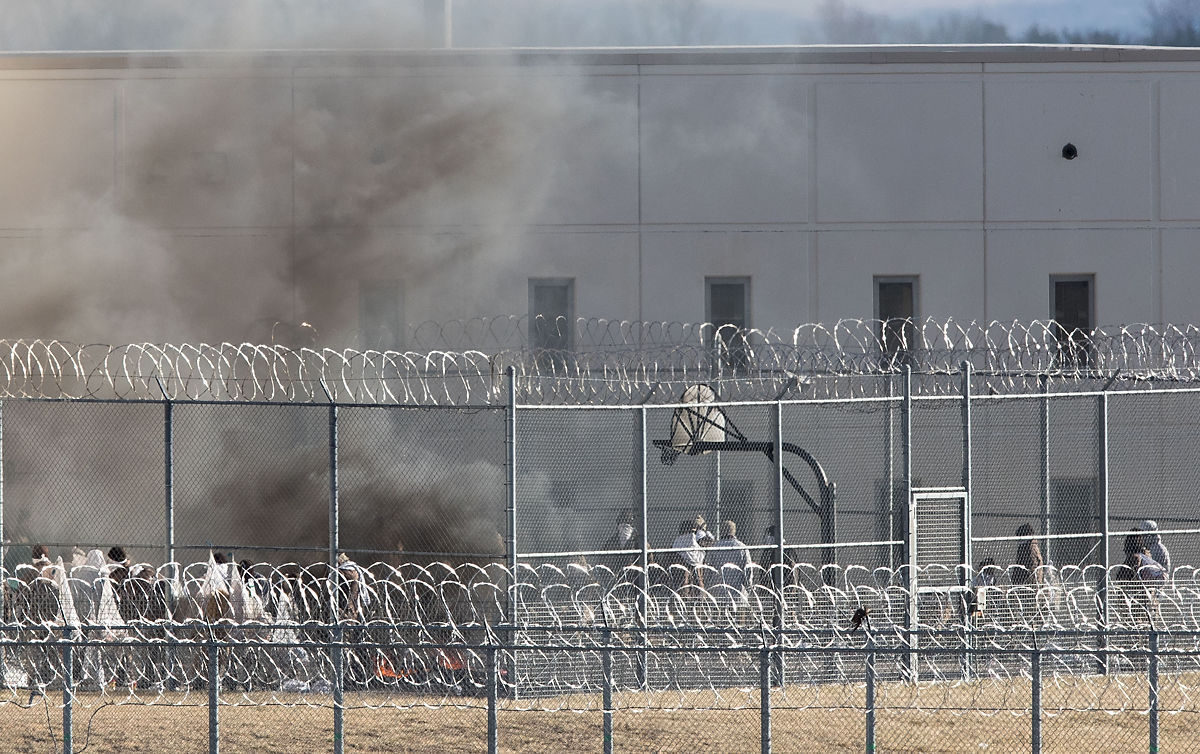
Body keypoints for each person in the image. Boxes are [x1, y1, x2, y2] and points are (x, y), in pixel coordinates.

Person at [707, 521, 752, 612]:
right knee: (739, 623)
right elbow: (748, 569)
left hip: (718, 592)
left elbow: (708, 569)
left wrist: (708, 585)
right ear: (734, 531)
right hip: (737, 592)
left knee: (720, 621)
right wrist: (748, 586)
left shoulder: (714, 547)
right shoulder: (741, 547)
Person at [670, 519, 706, 590]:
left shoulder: (698, 548)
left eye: (694, 532)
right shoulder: (677, 546)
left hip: (696, 587)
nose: (692, 535)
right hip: (683, 585)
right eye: (691, 532)